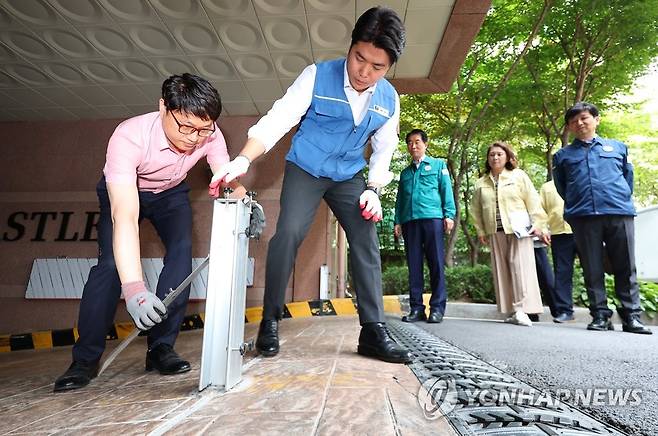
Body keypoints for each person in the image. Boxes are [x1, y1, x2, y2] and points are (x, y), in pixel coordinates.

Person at [210, 6, 412, 363]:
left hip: (349, 175)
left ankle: (373, 330)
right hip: (306, 167)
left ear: (389, 66)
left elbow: (385, 148)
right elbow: (278, 119)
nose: (364, 71)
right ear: (350, 47)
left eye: (377, 66)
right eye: (358, 58)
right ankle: (269, 320)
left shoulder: (389, 99)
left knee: (365, 235)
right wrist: (242, 159)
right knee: (288, 232)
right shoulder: (317, 76)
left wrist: (374, 190)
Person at [54, 74, 242, 392]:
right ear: (163, 107)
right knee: (111, 267)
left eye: (203, 129)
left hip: (171, 194)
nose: (195, 138)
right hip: (126, 192)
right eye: (186, 127)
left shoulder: (209, 132)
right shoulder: (129, 136)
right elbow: (125, 216)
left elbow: (225, 176)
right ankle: (84, 360)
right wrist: (135, 290)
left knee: (181, 256)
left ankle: (160, 348)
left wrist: (246, 203)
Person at [552, 102, 651, 334]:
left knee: (626, 265)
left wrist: (619, 199)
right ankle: (600, 315)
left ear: (597, 120)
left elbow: (628, 179)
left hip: (619, 212)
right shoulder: (563, 156)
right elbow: (562, 187)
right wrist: (578, 203)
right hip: (583, 215)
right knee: (592, 267)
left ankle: (631, 316)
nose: (580, 123)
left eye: (584, 118)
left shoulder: (618, 147)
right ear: (569, 127)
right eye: (574, 121)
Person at [471, 142, 548, 327]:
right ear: (487, 159)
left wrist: (539, 224)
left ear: (507, 157)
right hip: (495, 231)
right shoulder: (481, 182)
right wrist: (480, 230)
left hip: (519, 229)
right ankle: (512, 310)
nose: (495, 158)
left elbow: (533, 200)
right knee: (502, 270)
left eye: (499, 154)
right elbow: (475, 210)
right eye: (491, 155)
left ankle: (521, 309)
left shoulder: (518, 176)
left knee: (519, 266)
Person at [394, 129, 456, 324]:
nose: (414, 146)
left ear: (425, 144)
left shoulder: (438, 165)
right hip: (410, 221)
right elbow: (400, 199)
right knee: (414, 265)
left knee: (436, 262)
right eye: (410, 142)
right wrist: (397, 220)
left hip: (432, 219)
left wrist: (449, 214)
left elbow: (446, 190)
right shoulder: (405, 173)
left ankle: (437, 308)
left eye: (418, 142)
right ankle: (416, 308)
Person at [540, 179, 576, 323]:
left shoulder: (582, 181)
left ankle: (599, 312)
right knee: (562, 273)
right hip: (559, 233)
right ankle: (565, 311)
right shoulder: (547, 187)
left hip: (583, 230)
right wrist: (543, 229)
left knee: (592, 271)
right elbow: (540, 211)